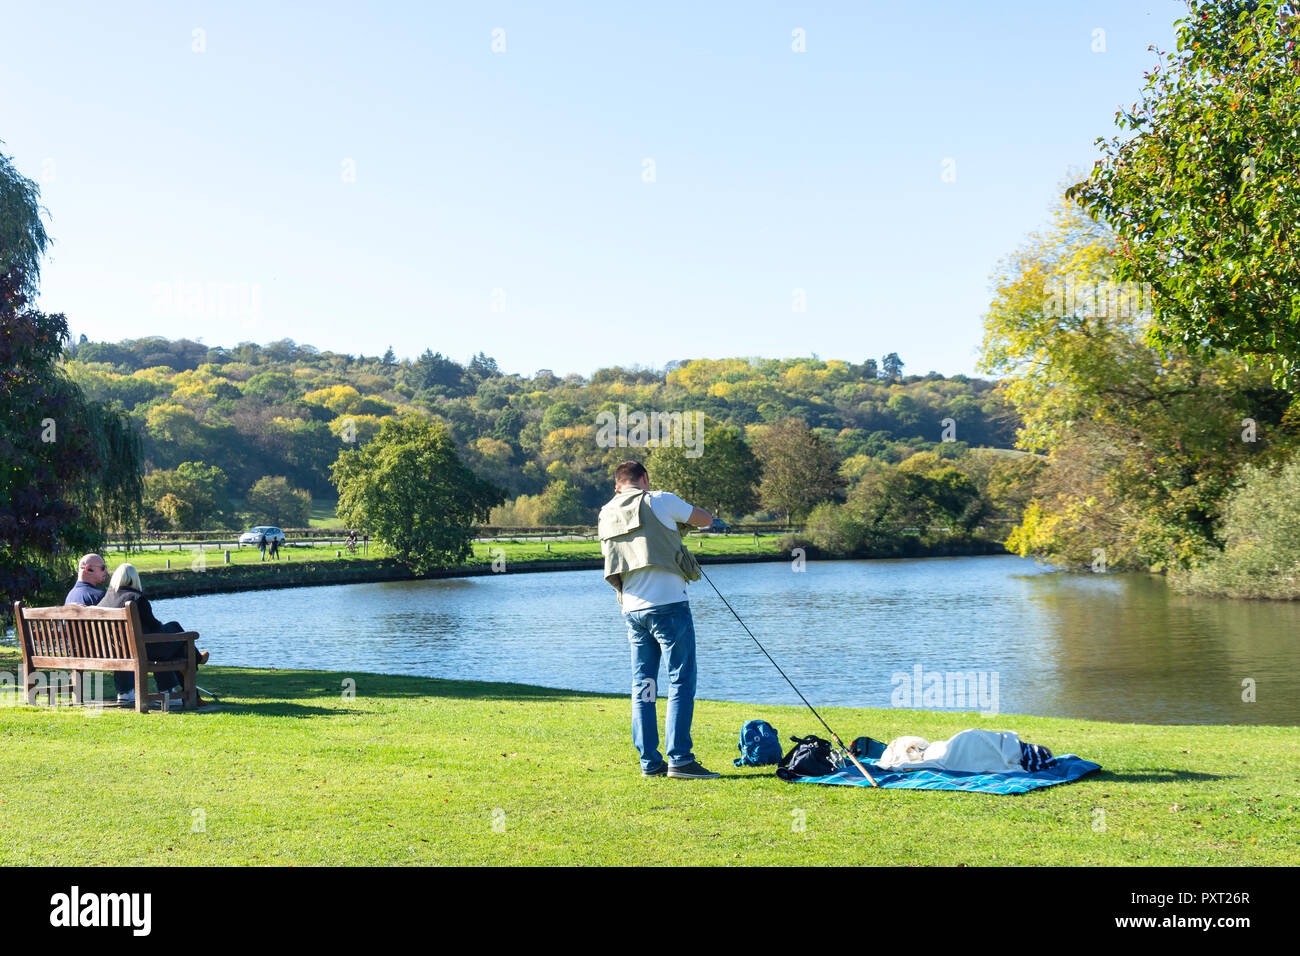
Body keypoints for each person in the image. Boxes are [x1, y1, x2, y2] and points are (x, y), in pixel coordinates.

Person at [598, 460, 717, 780]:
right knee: (681, 680)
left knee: (644, 686)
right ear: (645, 479)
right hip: (669, 605)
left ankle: (650, 763)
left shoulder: (606, 512)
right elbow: (704, 519)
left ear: (617, 485)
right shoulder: (659, 499)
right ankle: (680, 759)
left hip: (632, 609)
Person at [98, 563, 207, 707]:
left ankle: (186, 677)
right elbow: (154, 625)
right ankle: (196, 660)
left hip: (119, 650)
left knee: (176, 642)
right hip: (143, 650)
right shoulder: (136, 598)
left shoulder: (105, 601)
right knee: (176, 628)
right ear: (134, 579)